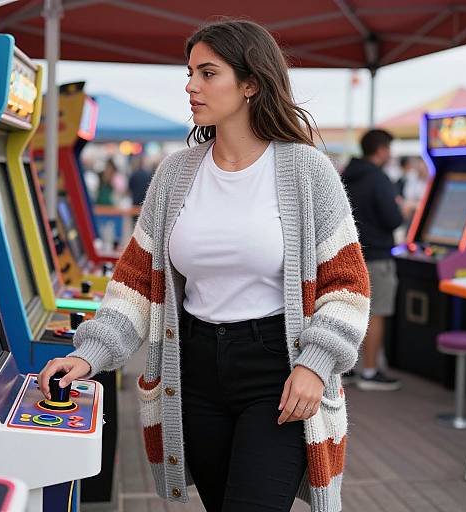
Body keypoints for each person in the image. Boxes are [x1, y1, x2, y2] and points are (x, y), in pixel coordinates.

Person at [38, 19, 370, 512]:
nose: (190, 85)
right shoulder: (175, 173)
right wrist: (90, 354)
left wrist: (315, 365)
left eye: (207, 73)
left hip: (278, 372)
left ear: (251, 82)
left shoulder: (307, 171)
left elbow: (347, 286)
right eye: (190, 72)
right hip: (191, 370)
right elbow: (134, 285)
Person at [342, 129, 404, 391]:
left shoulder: (348, 174)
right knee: (376, 313)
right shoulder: (378, 178)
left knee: (348, 313)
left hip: (349, 253)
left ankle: (347, 369)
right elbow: (393, 219)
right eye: (388, 149)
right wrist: (400, 208)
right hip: (377, 256)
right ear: (381, 150)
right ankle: (369, 372)